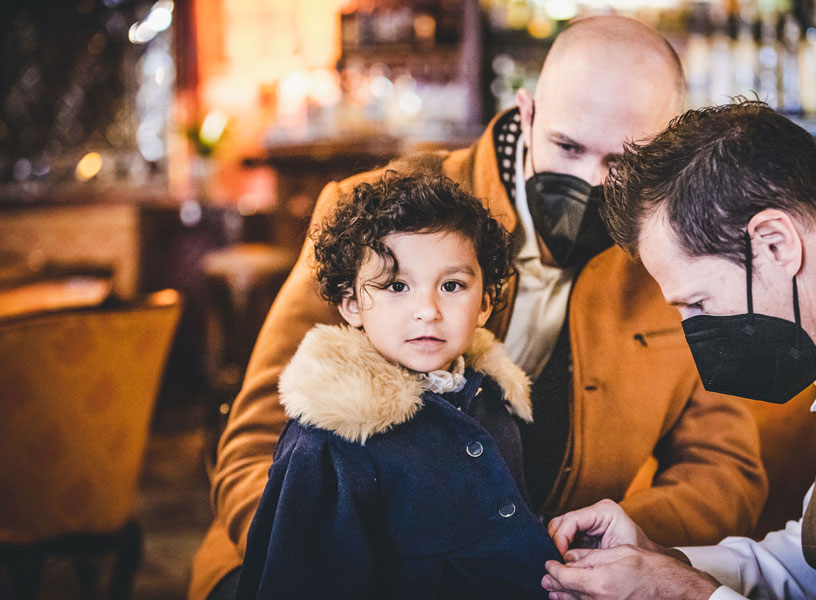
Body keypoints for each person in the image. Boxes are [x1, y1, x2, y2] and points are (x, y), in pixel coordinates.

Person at [190, 17, 775, 600]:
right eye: (567, 146)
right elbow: (254, 443)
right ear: (526, 113)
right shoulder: (373, 220)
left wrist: (609, 550)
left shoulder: (673, 266)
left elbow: (724, 469)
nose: (587, 180)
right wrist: (324, 556)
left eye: (624, 161)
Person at [542, 99, 816, 599]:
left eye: (697, 302)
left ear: (775, 244)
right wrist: (660, 562)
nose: (692, 331)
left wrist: (686, 594)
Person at [235, 174, 560, 599]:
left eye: (452, 286)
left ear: (484, 303)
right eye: (396, 286)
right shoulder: (329, 444)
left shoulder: (492, 398)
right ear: (351, 303)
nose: (427, 310)